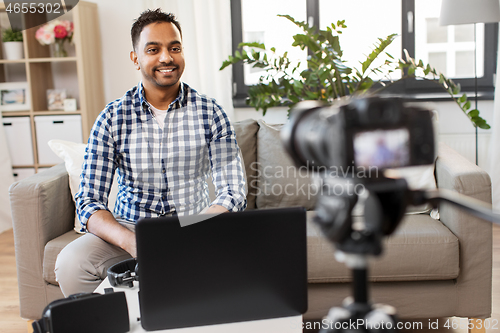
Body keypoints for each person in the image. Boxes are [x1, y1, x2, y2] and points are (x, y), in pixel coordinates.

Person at [54, 9, 247, 296]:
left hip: (193, 225)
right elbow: (89, 202)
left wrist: (194, 228)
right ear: (136, 58)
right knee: (71, 263)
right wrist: (132, 242)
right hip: (131, 228)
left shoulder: (211, 113)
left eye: (174, 48)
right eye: (153, 49)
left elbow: (233, 192)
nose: (166, 58)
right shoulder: (113, 117)